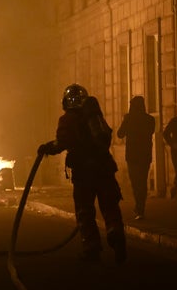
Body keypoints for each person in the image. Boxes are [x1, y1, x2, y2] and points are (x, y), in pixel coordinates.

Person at [38, 84, 126, 264]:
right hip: (104, 169)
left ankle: (91, 248)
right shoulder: (95, 116)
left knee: (85, 211)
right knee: (110, 206)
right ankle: (116, 234)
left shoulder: (67, 119)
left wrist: (47, 148)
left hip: (84, 172)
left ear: (66, 101)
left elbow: (62, 142)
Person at [116, 96, 156, 220]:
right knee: (142, 182)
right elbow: (151, 132)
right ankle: (140, 208)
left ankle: (139, 207)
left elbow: (119, 133)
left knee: (135, 182)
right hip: (145, 155)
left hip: (132, 156)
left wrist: (125, 120)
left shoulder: (129, 118)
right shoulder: (150, 119)